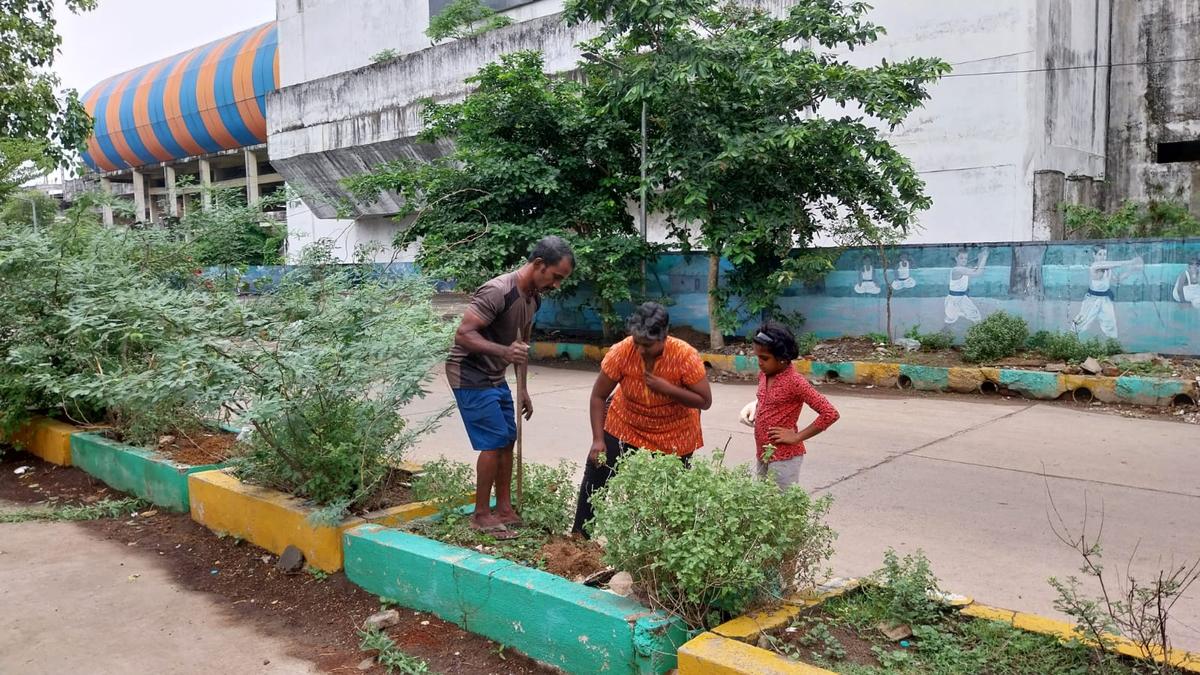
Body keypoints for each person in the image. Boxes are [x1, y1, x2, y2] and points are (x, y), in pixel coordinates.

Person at [447, 236, 575, 539]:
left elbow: (521, 346)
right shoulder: (497, 290)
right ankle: (481, 515)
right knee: (493, 440)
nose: (556, 285)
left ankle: (503, 508)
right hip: (468, 372)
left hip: (495, 375)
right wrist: (503, 353)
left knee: (508, 437)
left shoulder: (534, 299)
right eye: (556, 277)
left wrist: (523, 389)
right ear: (539, 265)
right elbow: (463, 335)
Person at [570, 302, 712, 537]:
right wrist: (598, 440)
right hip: (625, 424)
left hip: (674, 434)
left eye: (647, 344)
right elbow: (598, 396)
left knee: (670, 498)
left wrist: (667, 388)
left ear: (664, 337)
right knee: (596, 470)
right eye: (637, 342)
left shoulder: (684, 355)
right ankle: (579, 538)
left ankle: (662, 549)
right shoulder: (622, 351)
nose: (640, 349)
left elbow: (704, 401)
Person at [739, 322, 840, 490]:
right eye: (757, 357)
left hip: (784, 458)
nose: (760, 363)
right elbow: (767, 400)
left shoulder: (795, 382)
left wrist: (796, 437)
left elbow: (830, 413)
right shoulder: (764, 375)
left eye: (764, 358)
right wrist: (754, 408)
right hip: (763, 453)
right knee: (763, 505)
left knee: (782, 508)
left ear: (782, 359)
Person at [1071, 245, 1141, 339]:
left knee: (1110, 323)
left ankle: (1112, 344)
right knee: (1082, 321)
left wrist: (1131, 270)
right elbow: (1112, 264)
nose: (1103, 257)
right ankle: (1070, 338)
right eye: (1100, 254)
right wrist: (1131, 262)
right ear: (1094, 255)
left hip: (1105, 299)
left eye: (1104, 254)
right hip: (1092, 299)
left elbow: (1117, 280)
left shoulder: (1108, 269)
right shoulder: (1095, 266)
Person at [944, 247, 988, 324]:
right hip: (954, 300)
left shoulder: (963, 269)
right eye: (961, 258)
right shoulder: (957, 270)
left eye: (966, 258)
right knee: (951, 321)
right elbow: (978, 272)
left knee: (976, 317)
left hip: (962, 299)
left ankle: (977, 334)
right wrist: (984, 257)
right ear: (956, 259)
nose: (964, 260)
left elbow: (976, 269)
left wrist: (980, 258)